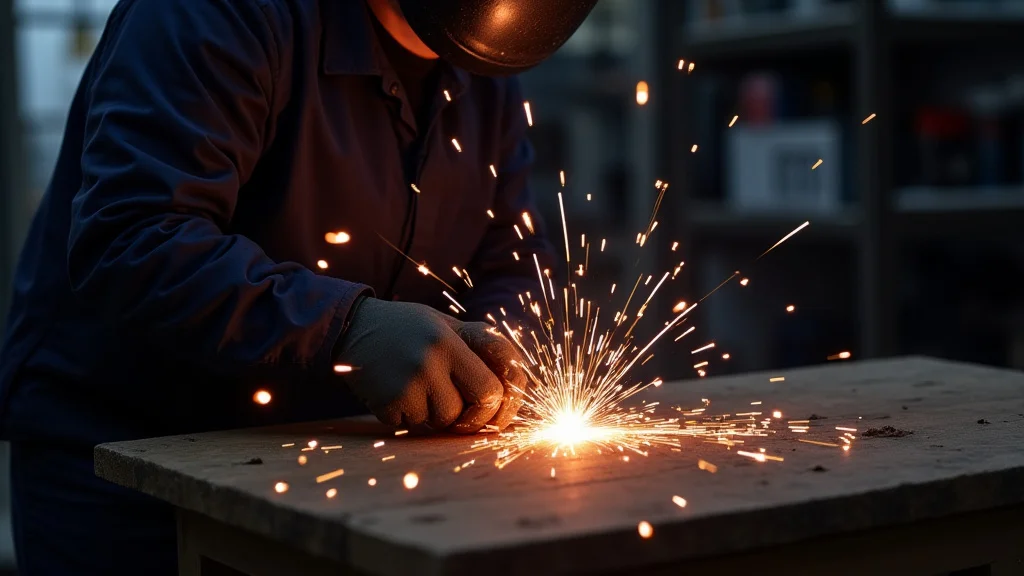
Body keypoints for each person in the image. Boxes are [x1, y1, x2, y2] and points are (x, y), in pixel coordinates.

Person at [0, 0, 595, 573]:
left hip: (324, 458)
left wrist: (498, 347)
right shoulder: (218, 13)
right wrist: (344, 330)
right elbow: (133, 240)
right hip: (126, 458)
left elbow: (512, 258)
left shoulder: (481, 69)